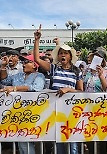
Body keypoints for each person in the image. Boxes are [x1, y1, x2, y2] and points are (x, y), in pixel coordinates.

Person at [33, 25, 83, 154]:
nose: (62, 55)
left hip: (72, 110)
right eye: (60, 53)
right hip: (55, 110)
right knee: (59, 140)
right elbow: (37, 59)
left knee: (73, 142)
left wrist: (68, 90)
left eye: (65, 53)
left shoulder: (77, 72)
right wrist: (37, 40)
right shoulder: (54, 68)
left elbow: (81, 91)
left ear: (70, 56)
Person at [0, 54, 45, 154]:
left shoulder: (39, 76)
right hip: (17, 113)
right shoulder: (18, 75)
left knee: (27, 140)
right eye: (23, 63)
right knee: (20, 140)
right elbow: (4, 80)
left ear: (34, 65)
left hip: (32, 113)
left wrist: (15, 88)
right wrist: (3, 66)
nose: (23, 65)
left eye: (26, 62)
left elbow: (36, 87)